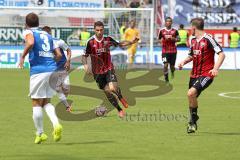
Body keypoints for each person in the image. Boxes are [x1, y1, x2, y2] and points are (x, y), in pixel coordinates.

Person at [19, 13, 63, 144]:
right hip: (51, 70)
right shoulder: (48, 35)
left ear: (26, 24)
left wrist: (22, 57)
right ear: (38, 23)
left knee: (36, 102)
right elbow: (59, 55)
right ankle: (56, 124)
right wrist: (49, 62)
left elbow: (31, 42)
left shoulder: (27, 32)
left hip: (38, 71)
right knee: (46, 102)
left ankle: (40, 133)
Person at [178, 18, 225, 133]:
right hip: (193, 75)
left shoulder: (209, 39)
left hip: (206, 74)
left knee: (190, 93)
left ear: (194, 28)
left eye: (190, 28)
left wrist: (215, 68)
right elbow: (191, 56)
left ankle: (192, 120)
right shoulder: (193, 40)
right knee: (191, 98)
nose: (190, 30)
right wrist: (183, 62)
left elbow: (222, 54)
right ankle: (193, 122)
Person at [82, 21, 139, 118]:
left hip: (108, 68)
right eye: (97, 30)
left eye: (101, 30)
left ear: (103, 29)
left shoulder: (108, 39)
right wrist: (86, 66)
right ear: (94, 30)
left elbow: (120, 44)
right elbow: (84, 56)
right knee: (108, 92)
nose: (99, 32)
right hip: (97, 72)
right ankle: (119, 110)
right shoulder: (90, 42)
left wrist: (131, 42)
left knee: (113, 88)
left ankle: (120, 97)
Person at [42, 26, 72, 112]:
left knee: (66, 88)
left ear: (50, 34)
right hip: (52, 70)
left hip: (63, 68)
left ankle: (64, 101)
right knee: (58, 88)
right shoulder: (42, 45)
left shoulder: (59, 41)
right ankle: (67, 106)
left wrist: (68, 61)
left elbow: (68, 50)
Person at [158, 17, 180, 83]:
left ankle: (172, 72)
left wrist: (174, 39)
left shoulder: (175, 31)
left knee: (172, 66)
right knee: (165, 65)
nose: (168, 22)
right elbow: (159, 39)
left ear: (171, 22)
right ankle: (166, 79)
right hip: (165, 51)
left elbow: (179, 39)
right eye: (167, 21)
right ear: (165, 22)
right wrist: (161, 41)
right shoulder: (161, 31)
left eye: (170, 21)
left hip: (173, 51)